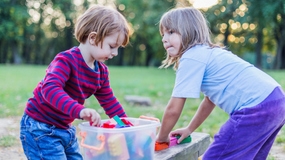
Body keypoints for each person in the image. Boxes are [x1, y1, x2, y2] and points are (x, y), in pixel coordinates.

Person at [155, 6, 285, 160]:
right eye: (163, 34)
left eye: (171, 32)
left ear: (190, 30)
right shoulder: (209, 53)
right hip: (277, 101)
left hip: (255, 107)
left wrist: (161, 138)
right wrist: (190, 128)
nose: (164, 38)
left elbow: (173, 109)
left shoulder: (191, 57)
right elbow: (210, 99)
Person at [20, 4, 130, 160]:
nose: (115, 53)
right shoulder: (66, 60)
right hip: (40, 127)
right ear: (93, 38)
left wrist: (124, 125)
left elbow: (109, 102)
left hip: (64, 128)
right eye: (112, 46)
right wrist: (79, 110)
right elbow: (50, 89)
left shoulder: (101, 72)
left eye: (118, 48)